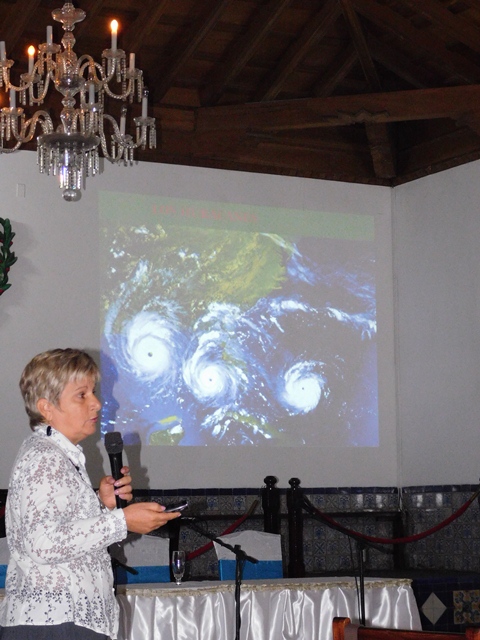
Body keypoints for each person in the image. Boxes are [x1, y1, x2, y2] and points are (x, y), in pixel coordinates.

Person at [0, 348, 181, 640]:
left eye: (93, 392)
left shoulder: (55, 454)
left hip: (64, 622)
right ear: (47, 408)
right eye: (81, 395)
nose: (96, 403)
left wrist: (101, 504)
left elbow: (58, 530)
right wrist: (122, 520)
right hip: (55, 624)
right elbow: (43, 543)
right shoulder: (45, 457)